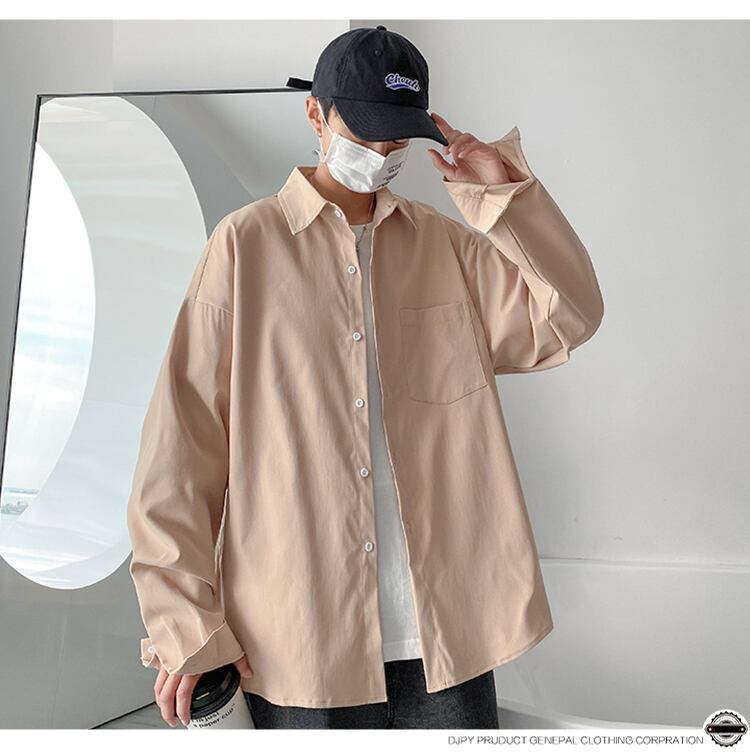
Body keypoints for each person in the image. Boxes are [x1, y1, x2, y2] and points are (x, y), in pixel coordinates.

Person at [126, 25, 604, 730]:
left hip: (447, 639)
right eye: (366, 130)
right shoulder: (244, 248)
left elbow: (567, 316)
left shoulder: (444, 247)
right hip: (298, 639)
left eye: (397, 136)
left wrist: (503, 194)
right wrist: (184, 622)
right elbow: (180, 450)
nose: (382, 153)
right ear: (315, 115)